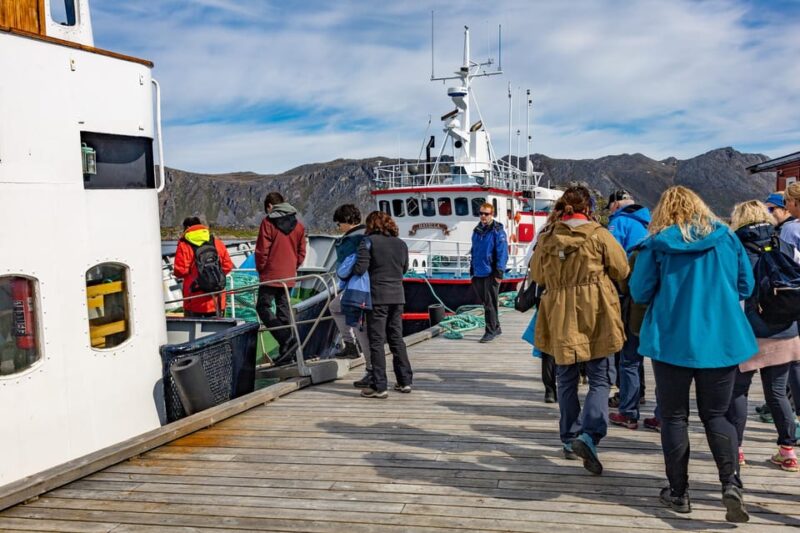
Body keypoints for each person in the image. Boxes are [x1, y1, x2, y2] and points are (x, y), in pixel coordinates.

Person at [629, 186, 756, 522]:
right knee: (717, 416)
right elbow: (746, 286)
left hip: (672, 341)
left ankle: (679, 493)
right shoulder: (727, 238)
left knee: (673, 416)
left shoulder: (657, 244)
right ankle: (731, 485)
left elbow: (639, 292)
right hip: (721, 340)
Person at [531, 186, 629, 473]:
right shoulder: (599, 234)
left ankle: (568, 437)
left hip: (560, 309)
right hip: (596, 308)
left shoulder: (547, 237)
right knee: (600, 376)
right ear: (588, 208)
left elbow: (537, 274)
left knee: (566, 377)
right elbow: (622, 270)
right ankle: (590, 434)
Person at [725, 200, 800, 472]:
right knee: (777, 393)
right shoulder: (785, 244)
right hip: (786, 328)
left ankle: (737, 450)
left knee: (738, 392)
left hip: (748, 330)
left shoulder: (734, 248)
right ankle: (788, 452)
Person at [605, 191, 658, 431]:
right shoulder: (646, 224)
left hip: (630, 297)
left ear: (615, 205)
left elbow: (612, 260)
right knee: (657, 358)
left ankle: (628, 407)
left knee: (629, 357)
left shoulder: (618, 223)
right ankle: (651, 403)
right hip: (660, 306)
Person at [353, 211, 413, 398]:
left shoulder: (368, 242)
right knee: (396, 338)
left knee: (377, 341)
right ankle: (405, 381)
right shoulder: (401, 244)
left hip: (378, 297)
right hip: (398, 296)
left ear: (371, 225)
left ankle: (379, 386)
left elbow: (360, 269)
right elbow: (404, 268)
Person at [255, 192, 307, 365]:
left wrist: (262, 270)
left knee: (262, 307)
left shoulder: (268, 223)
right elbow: (301, 252)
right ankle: (287, 354)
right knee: (283, 309)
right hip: (289, 275)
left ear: (270, 206)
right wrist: (293, 266)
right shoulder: (298, 226)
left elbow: (262, 250)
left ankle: (287, 340)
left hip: (271, 274)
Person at [329, 204, 372, 387]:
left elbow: (349, 267)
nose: (338, 227)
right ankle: (350, 345)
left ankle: (370, 368)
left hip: (359, 289)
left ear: (347, 221)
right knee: (336, 306)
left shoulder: (355, 240)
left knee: (362, 327)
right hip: (363, 287)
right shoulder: (367, 236)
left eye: (339, 223)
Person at [173, 217, 233, 318]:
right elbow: (227, 266)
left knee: (194, 332)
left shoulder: (184, 245)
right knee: (219, 330)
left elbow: (180, 271)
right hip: (216, 298)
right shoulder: (216, 242)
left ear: (187, 227)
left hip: (194, 299)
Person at [470, 202, 508, 343]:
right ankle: (496, 326)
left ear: (492, 215)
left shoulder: (497, 231)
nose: (483, 216)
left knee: (489, 303)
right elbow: (474, 251)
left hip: (491, 272)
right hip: (478, 272)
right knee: (486, 301)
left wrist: (499, 273)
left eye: (486, 214)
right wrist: (472, 270)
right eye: (481, 213)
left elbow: (502, 252)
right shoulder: (477, 231)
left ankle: (490, 330)